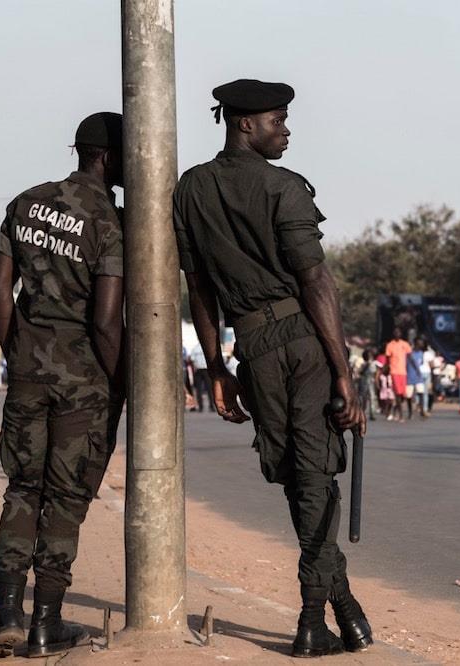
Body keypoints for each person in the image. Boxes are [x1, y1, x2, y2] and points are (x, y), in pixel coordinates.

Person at [173, 80, 371, 658]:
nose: (286, 129)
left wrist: (216, 367)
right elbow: (315, 281)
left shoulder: (191, 190)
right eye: (277, 120)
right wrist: (343, 372)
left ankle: (346, 609)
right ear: (243, 125)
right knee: (315, 479)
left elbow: (199, 290)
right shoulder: (284, 188)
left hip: (251, 348)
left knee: (299, 479)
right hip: (303, 344)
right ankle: (311, 620)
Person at [0, 112, 125, 658]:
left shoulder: (27, 202)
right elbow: (107, 321)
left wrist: (17, 349)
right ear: (109, 158)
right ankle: (46, 621)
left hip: (27, 367)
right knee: (64, 496)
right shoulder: (110, 222)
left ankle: (5, 616)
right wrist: (118, 381)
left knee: (21, 488)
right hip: (82, 375)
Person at [385, 328, 412, 424]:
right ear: (393, 334)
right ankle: (401, 415)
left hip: (403, 372)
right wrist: (385, 371)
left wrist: (416, 370)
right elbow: (387, 360)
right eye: (395, 332)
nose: (397, 334)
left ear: (401, 334)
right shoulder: (390, 345)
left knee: (403, 395)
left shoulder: (405, 344)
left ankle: (394, 411)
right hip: (394, 372)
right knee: (397, 394)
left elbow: (410, 357)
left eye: (399, 332)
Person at [405, 338, 427, 420]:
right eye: (419, 343)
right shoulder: (409, 353)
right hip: (409, 376)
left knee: (421, 393)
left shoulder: (421, 353)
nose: (421, 345)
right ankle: (410, 412)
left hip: (419, 377)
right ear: (415, 343)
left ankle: (422, 410)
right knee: (409, 396)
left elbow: (420, 363)